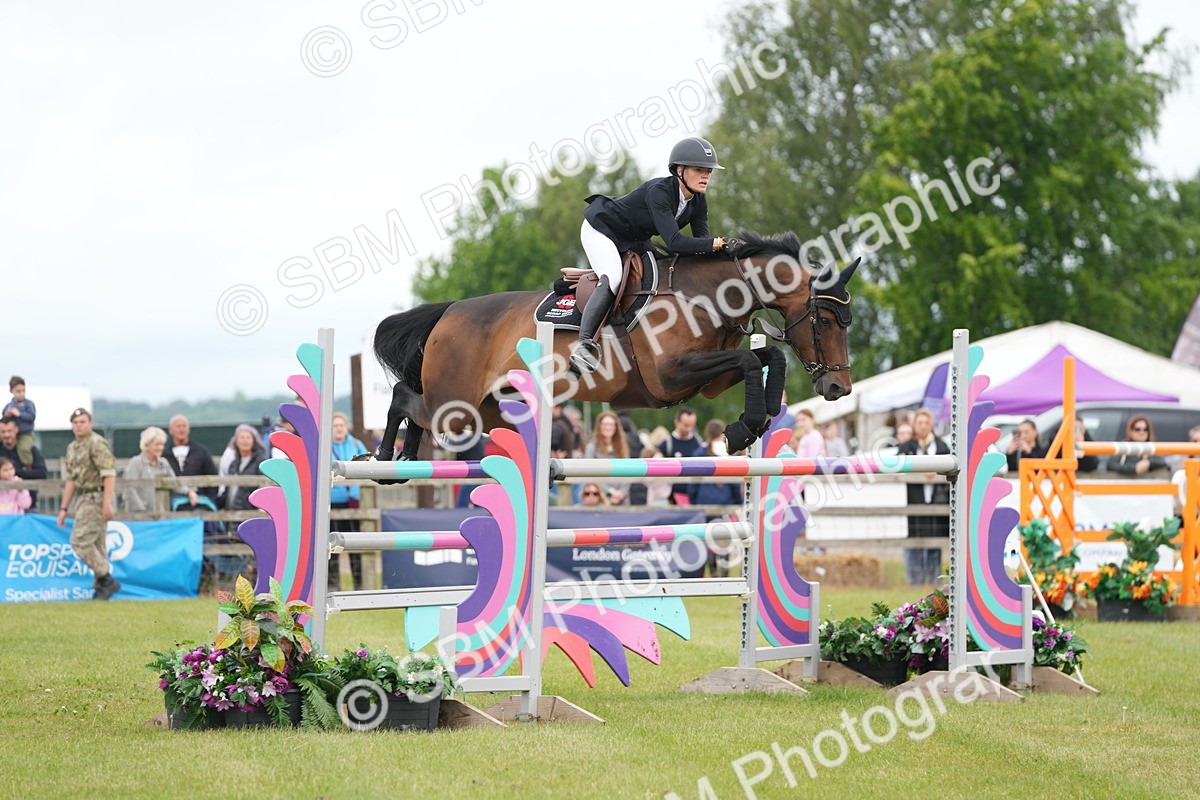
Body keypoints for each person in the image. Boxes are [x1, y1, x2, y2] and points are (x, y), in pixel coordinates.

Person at [571, 136, 734, 374]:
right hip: (602, 229)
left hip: (633, 239)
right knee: (614, 278)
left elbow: (700, 245)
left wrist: (727, 253)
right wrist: (717, 244)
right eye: (699, 170)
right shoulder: (660, 191)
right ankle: (584, 346)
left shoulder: (698, 202)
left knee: (661, 270)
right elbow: (676, 243)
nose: (706, 176)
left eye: (708, 171)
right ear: (680, 170)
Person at [57, 408, 120, 600]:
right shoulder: (72, 447)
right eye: (75, 422)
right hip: (82, 498)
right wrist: (63, 508)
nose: (79, 426)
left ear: (90, 423)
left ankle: (107, 579)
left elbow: (109, 474)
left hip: (97, 497)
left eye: (82, 422)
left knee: (79, 542)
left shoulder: (97, 443)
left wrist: (107, 503)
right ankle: (103, 587)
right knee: (97, 544)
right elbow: (71, 480)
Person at [898, 408, 950, 587]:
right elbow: (898, 468)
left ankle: (934, 580)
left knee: (934, 540)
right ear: (914, 425)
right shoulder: (907, 447)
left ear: (932, 425)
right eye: (919, 423)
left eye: (926, 423)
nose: (923, 426)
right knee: (915, 537)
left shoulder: (941, 446)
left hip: (937, 500)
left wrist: (934, 472)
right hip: (915, 500)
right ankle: (916, 581)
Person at [329, 413, 369, 587]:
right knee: (331, 544)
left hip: (352, 500)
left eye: (341, 425)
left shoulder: (356, 444)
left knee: (354, 544)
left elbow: (366, 468)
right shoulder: (324, 447)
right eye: (335, 425)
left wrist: (354, 493)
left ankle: (359, 583)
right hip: (331, 501)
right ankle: (332, 583)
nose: (338, 428)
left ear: (346, 426)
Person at [163, 414, 219, 504]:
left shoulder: (201, 452)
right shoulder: (164, 454)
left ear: (189, 429)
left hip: (200, 501)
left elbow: (213, 477)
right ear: (171, 430)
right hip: (172, 502)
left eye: (184, 426)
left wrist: (210, 500)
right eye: (178, 426)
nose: (181, 429)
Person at [122, 426, 175, 513]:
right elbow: (129, 489)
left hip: (160, 514)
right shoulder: (136, 462)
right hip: (138, 516)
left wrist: (189, 492)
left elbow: (174, 482)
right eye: (157, 444)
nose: (160, 448)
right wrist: (142, 509)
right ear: (146, 445)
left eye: (162, 444)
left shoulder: (164, 463)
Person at [659, 407, 706, 504]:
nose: (689, 428)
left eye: (692, 425)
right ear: (677, 422)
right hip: (672, 496)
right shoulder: (667, 443)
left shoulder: (698, 442)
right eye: (686, 425)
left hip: (694, 493)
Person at [584, 411, 630, 505]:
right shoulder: (592, 448)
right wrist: (611, 491)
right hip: (601, 498)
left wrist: (621, 492)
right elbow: (590, 474)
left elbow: (628, 472)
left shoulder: (623, 448)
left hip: (622, 498)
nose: (608, 427)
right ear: (599, 426)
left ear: (616, 427)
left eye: (611, 424)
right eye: (605, 424)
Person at [0, 417, 47, 506]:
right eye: (3, 431)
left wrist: (12, 473)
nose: (6, 435)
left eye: (9, 431)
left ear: (16, 430)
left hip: (28, 504)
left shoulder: (30, 451)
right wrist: (25, 472)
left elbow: (42, 473)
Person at [221, 424, 267, 513]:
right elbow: (227, 490)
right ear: (236, 442)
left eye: (248, 437)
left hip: (251, 514)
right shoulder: (233, 464)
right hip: (231, 514)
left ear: (254, 441)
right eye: (242, 437)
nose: (245, 440)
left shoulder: (260, 462)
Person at [3, 376, 36, 466]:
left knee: (24, 449)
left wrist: (19, 414)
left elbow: (31, 417)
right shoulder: (10, 405)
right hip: (12, 434)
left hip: (25, 434)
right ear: (11, 391)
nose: (21, 394)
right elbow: (4, 418)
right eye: (18, 391)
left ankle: (28, 465)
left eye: (23, 391)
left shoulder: (28, 404)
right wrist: (7, 414)